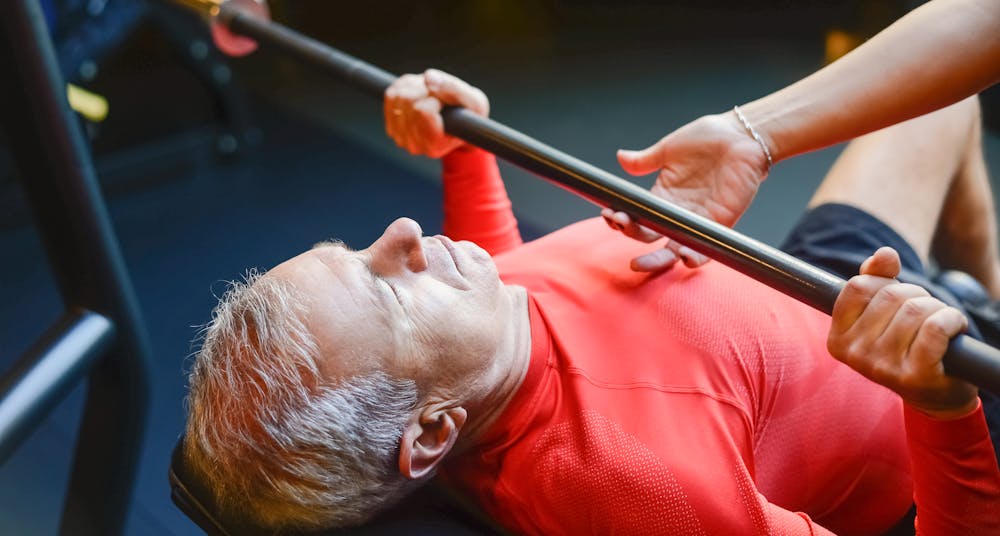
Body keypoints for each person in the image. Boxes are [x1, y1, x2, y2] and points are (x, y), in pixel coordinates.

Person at [184, 69, 1000, 534]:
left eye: (358, 251)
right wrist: (943, 403)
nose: (401, 232)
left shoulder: (481, 346)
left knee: (943, 101)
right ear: (433, 432)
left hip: (808, 288)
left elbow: (514, 274)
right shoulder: (647, 488)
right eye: (390, 291)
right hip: (908, 402)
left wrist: (463, 149)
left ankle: (980, 300)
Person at [601, 0, 1000, 280]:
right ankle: (992, 305)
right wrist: (750, 135)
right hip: (848, 311)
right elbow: (986, 15)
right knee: (946, 109)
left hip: (922, 366)